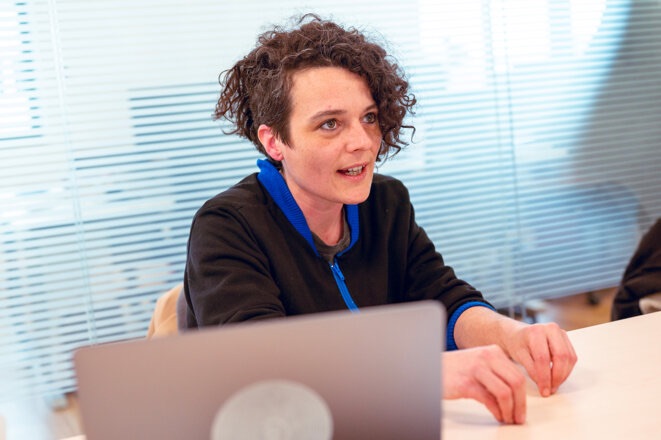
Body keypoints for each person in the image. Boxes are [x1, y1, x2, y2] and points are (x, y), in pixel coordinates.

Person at [182, 14, 577, 425]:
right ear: (275, 141)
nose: (363, 142)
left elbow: (441, 297)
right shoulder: (227, 227)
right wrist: (422, 372)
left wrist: (512, 334)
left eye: (368, 118)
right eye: (330, 124)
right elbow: (261, 365)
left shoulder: (386, 201)